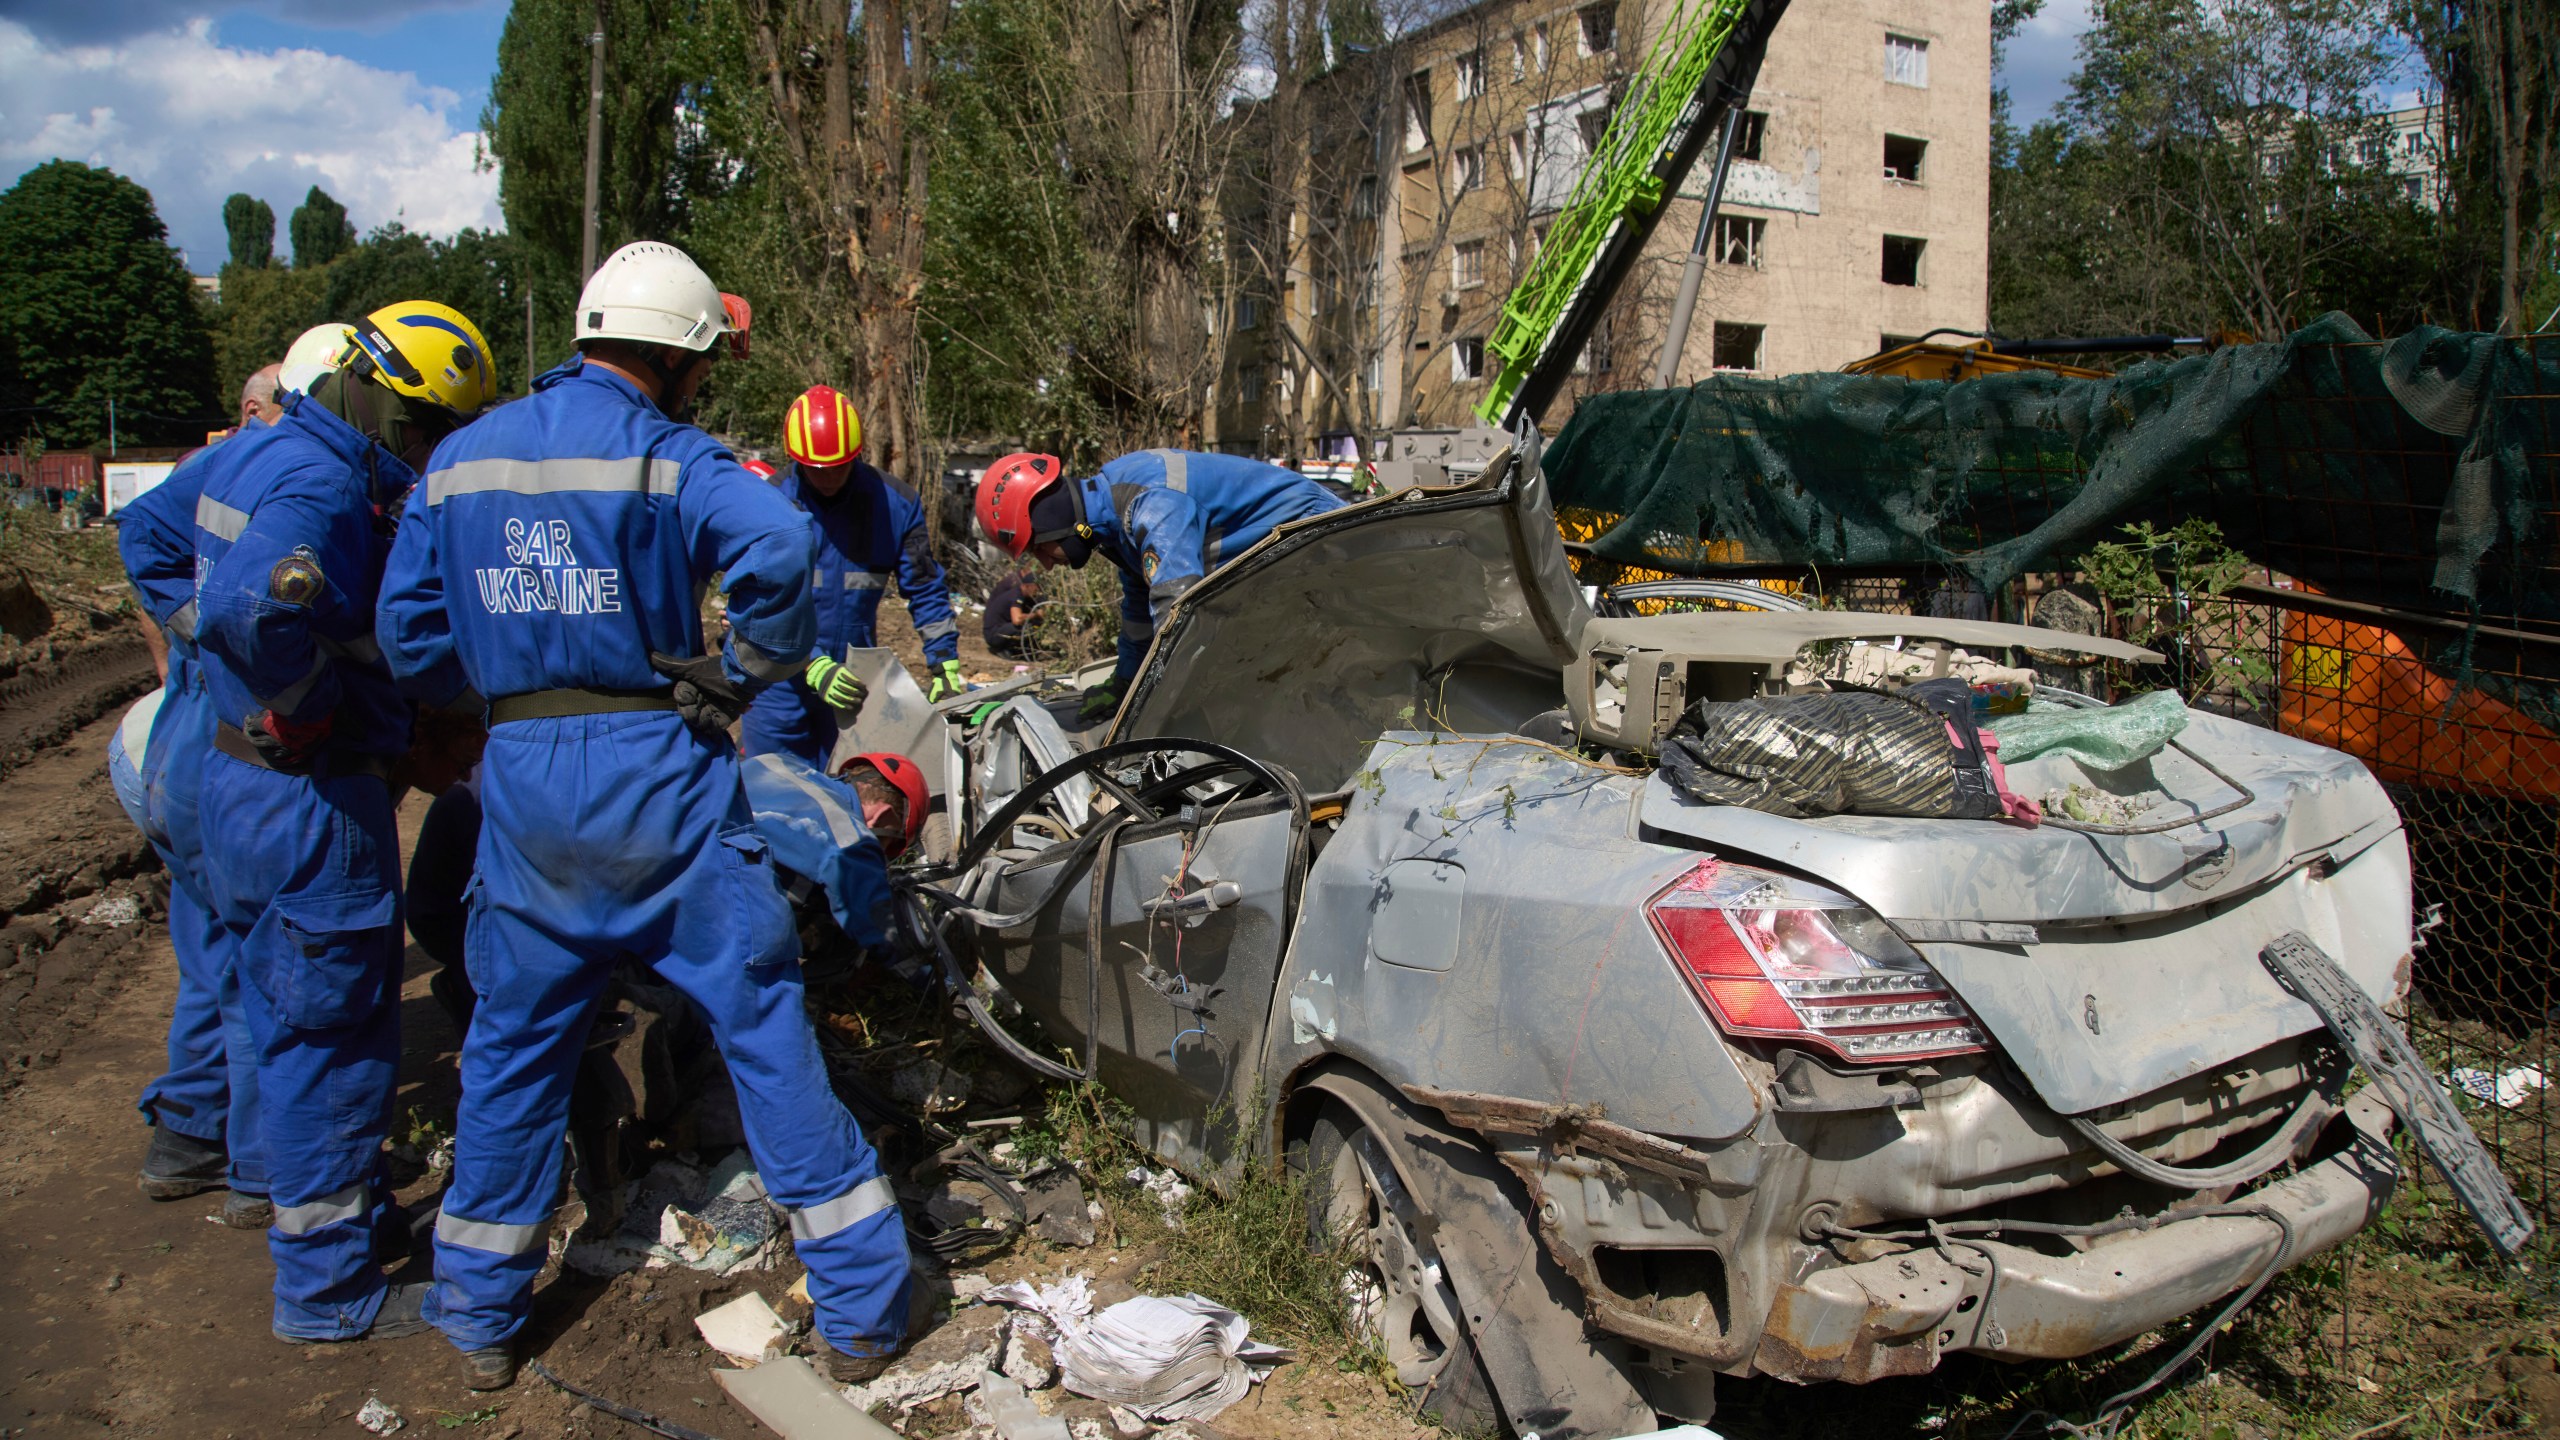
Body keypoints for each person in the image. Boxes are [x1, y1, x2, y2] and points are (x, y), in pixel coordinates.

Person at [376, 241, 912, 1391]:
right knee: (763, 1023)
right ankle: (865, 1309)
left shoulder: (460, 461)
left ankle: (477, 1318)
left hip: (521, 783)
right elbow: (774, 544)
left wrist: (499, 698)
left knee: (515, 1052)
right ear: (675, 357)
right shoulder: (671, 456)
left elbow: (410, 635)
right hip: (657, 772)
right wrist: (752, 665)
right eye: (700, 366)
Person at [191, 300, 495, 1347]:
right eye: (420, 432)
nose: (420, 457)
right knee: (336, 1038)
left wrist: (216, 688)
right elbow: (254, 608)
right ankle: (327, 1291)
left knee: (277, 1016)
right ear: (379, 398)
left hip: (230, 779)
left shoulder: (253, 453)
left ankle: (308, 1209)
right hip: (309, 796)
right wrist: (309, 699)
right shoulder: (324, 486)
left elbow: (152, 544)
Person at [974, 448, 1347, 723]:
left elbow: (1179, 615)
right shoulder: (1111, 518)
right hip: (1282, 562)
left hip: (1322, 540)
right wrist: (1125, 682)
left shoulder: (1149, 502)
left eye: (1038, 547)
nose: (1045, 564)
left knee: (1312, 688)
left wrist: (1160, 714)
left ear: (1054, 520)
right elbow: (1141, 605)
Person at [739, 385, 965, 767]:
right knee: (772, 792)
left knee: (851, 793)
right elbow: (752, 600)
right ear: (797, 460)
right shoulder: (768, 503)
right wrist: (807, 661)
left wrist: (944, 661)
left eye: (838, 467)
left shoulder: (894, 505)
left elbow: (925, 587)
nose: (827, 478)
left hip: (852, 680)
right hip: (776, 682)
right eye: (816, 469)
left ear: (856, 455)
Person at [982, 568, 1038, 660]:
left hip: (994, 631)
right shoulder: (1016, 595)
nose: (1036, 591)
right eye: (1035, 588)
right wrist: (1036, 615)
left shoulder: (1016, 592)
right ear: (1027, 586)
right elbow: (1017, 620)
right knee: (1026, 627)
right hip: (993, 634)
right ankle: (1001, 648)